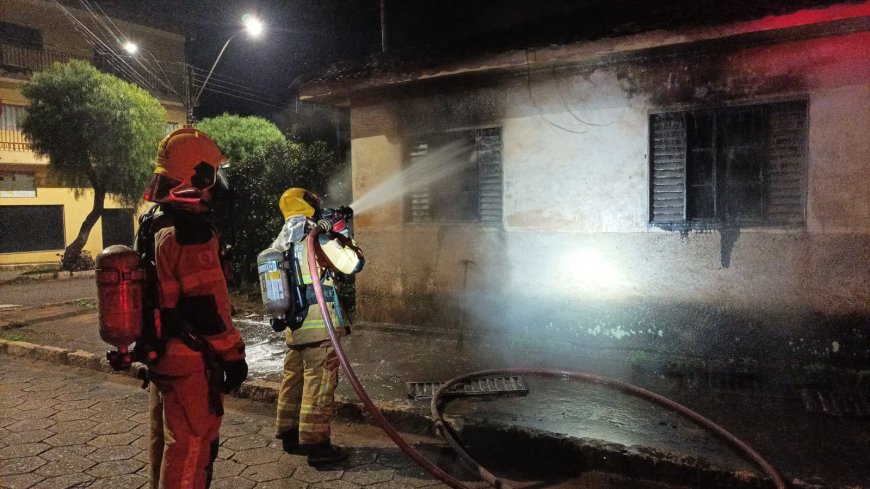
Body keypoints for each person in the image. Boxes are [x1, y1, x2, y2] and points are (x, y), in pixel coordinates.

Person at [137, 127, 248, 489]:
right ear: (197, 176)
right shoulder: (192, 233)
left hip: (162, 352)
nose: (218, 184)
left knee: (169, 439)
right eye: (214, 174)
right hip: (189, 358)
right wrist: (233, 356)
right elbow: (207, 309)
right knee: (193, 444)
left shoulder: (154, 220)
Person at [270, 188, 364, 466]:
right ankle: (318, 447)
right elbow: (352, 265)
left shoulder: (281, 241)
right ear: (308, 205)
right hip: (320, 328)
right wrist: (343, 234)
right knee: (319, 384)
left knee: (293, 381)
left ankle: (289, 436)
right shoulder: (316, 238)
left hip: (294, 329)